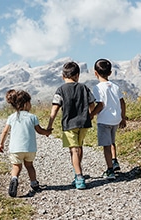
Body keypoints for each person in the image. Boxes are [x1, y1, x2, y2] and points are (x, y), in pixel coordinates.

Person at [47, 61, 95, 190]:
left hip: (69, 124)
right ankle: (77, 171)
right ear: (77, 75)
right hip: (84, 124)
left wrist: (49, 126)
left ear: (63, 76)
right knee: (79, 147)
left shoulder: (61, 90)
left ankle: (79, 177)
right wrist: (91, 115)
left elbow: (55, 109)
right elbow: (92, 104)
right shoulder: (84, 88)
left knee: (73, 150)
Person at [0, 89, 52, 197]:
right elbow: (39, 130)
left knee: (16, 166)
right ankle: (34, 183)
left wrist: (1, 143)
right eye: (30, 102)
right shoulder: (32, 117)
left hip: (15, 149)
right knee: (29, 166)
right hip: (30, 148)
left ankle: (14, 179)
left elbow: (5, 131)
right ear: (26, 103)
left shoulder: (11, 117)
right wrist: (47, 132)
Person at [90, 58, 126, 180]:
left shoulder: (98, 88)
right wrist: (123, 118)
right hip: (116, 119)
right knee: (112, 141)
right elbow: (122, 102)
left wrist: (91, 115)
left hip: (104, 121)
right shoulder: (115, 87)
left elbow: (100, 105)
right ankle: (114, 160)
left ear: (95, 73)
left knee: (106, 145)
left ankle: (110, 170)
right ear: (110, 73)